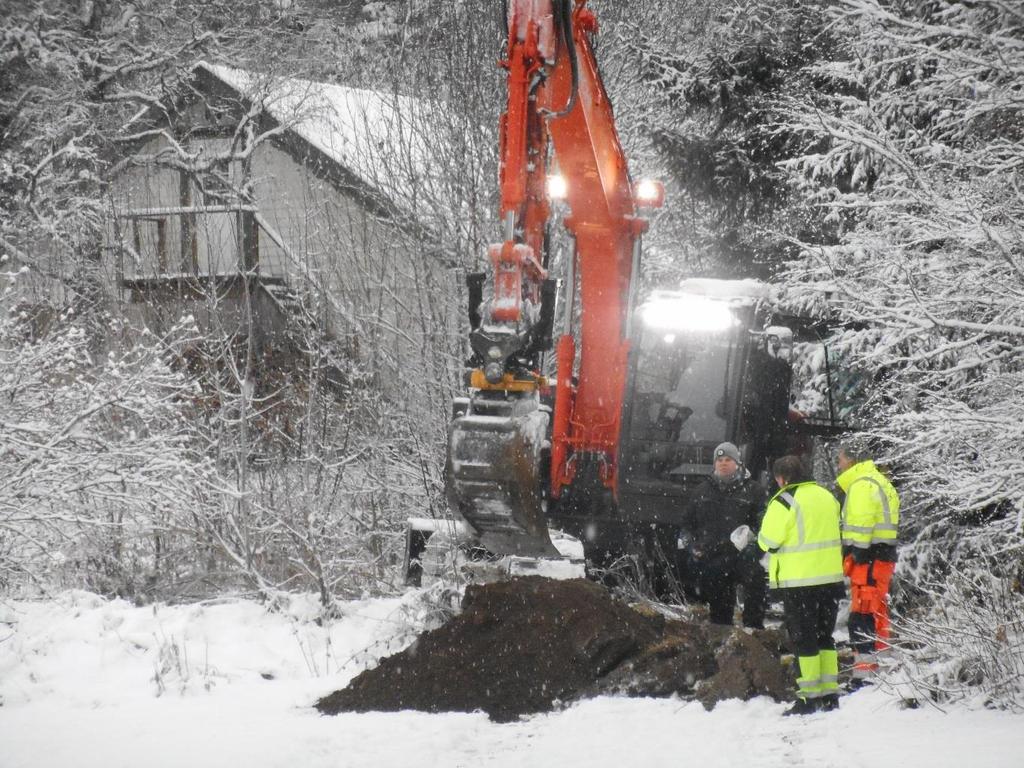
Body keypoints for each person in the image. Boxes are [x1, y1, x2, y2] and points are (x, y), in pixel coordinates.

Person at [758, 454, 844, 715]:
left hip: (800, 582)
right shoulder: (826, 496)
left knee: (803, 638)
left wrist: (758, 538)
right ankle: (829, 694)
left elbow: (769, 541)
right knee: (824, 636)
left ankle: (808, 697)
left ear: (781, 478)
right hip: (829, 579)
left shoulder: (784, 501)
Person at [680, 442, 768, 628]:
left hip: (744, 556)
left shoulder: (754, 491)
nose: (723, 463)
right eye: (719, 460)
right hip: (713, 558)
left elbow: (764, 525)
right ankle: (722, 642)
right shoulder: (701, 491)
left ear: (738, 463)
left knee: (755, 595)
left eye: (728, 459)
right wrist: (691, 546)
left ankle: (754, 637)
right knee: (719, 615)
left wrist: (752, 547)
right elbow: (687, 524)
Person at [835, 440, 900, 686]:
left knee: (862, 616)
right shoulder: (879, 480)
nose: (838, 465)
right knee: (877, 612)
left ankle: (865, 675)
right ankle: (883, 666)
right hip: (881, 559)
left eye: (840, 459)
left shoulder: (862, 485)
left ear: (851, 460)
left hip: (868, 561)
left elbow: (861, 528)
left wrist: (851, 555)